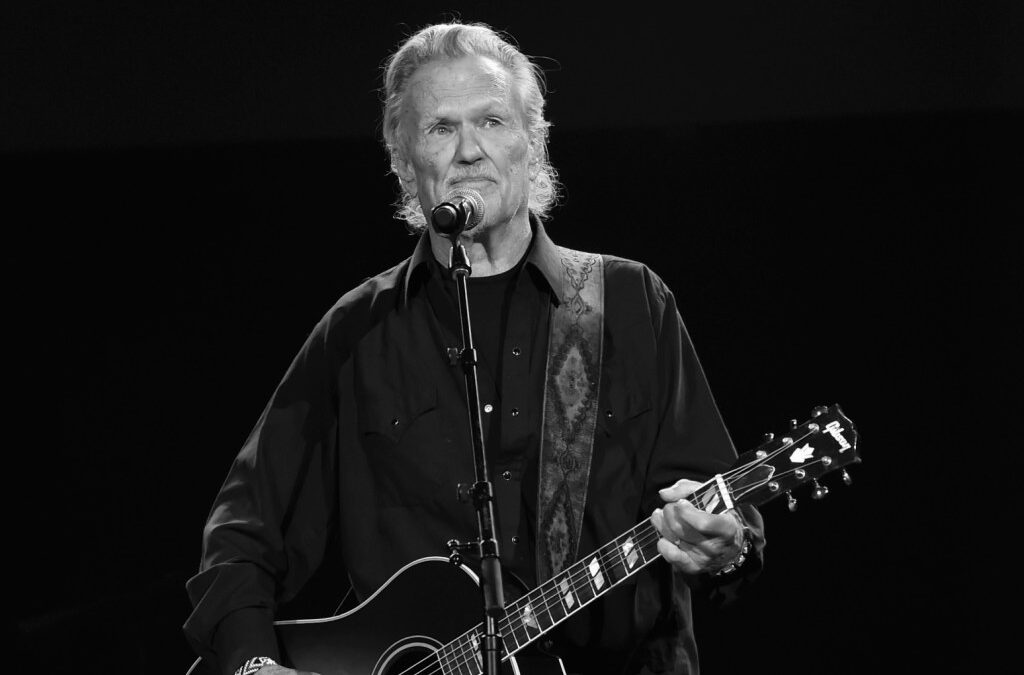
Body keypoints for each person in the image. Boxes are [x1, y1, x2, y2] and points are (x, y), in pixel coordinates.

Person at [184, 21, 765, 675]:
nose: (468, 150)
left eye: (490, 121)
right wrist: (253, 664)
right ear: (404, 164)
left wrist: (726, 544)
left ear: (533, 143)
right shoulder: (357, 332)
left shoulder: (629, 303)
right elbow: (241, 534)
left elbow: (724, 511)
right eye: (440, 128)